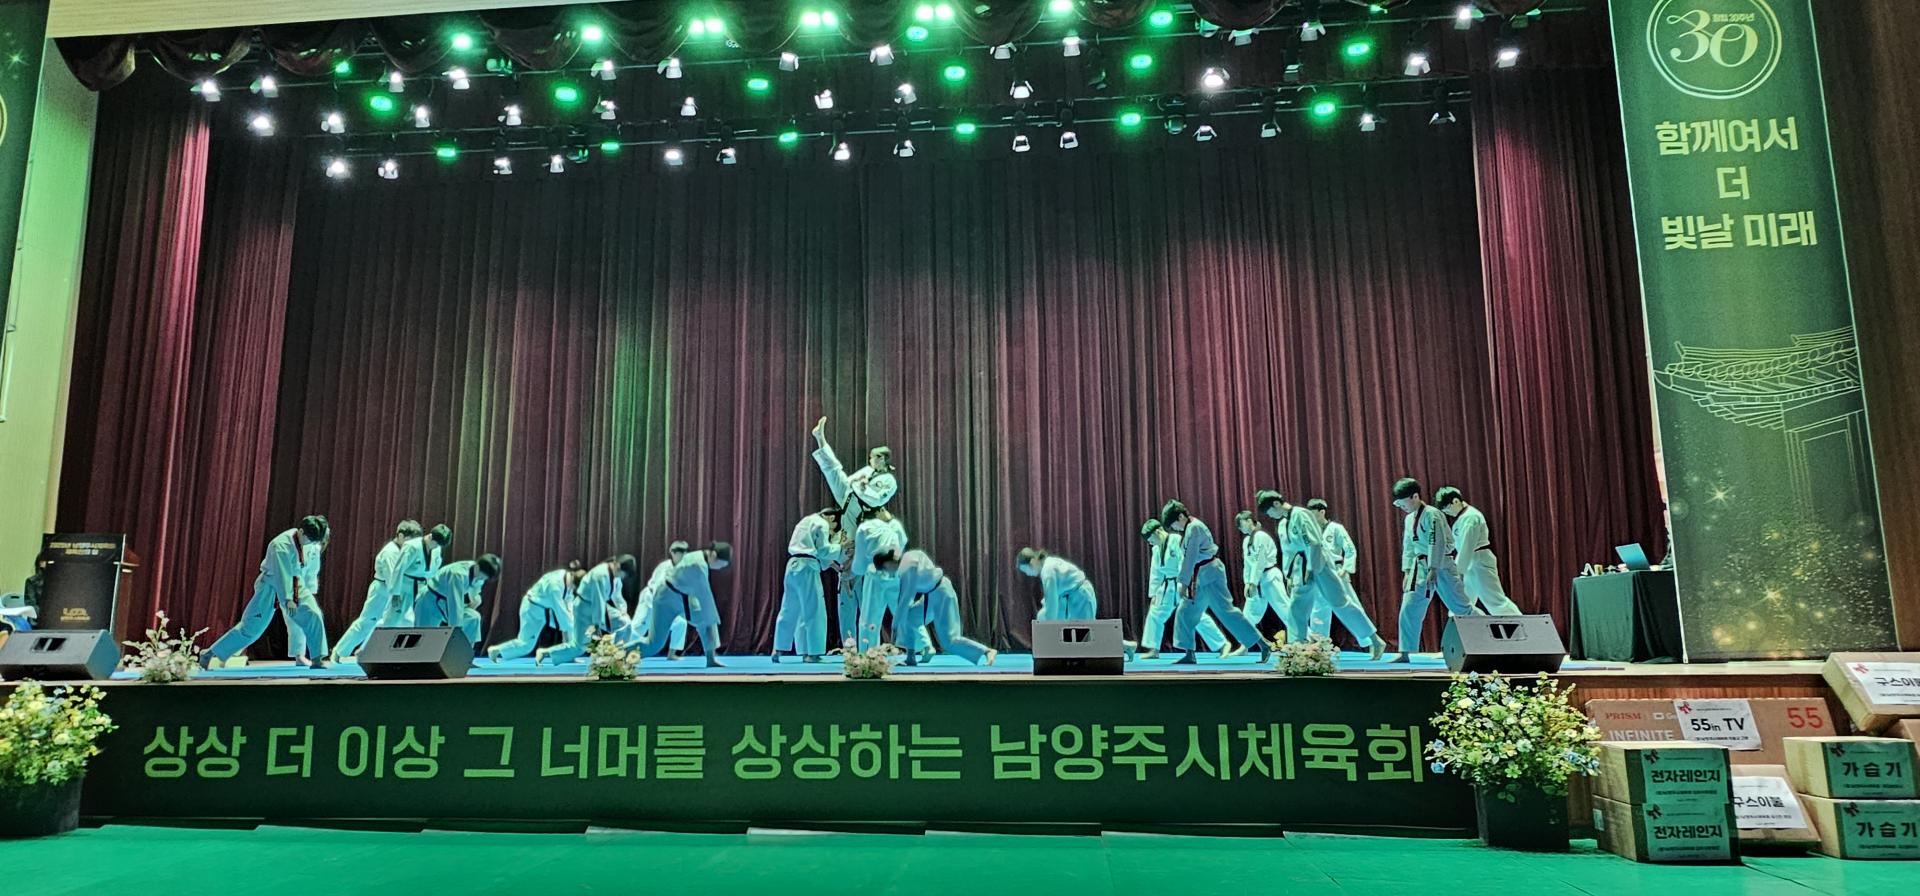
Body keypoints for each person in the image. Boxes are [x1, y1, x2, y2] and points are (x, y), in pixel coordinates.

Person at [1258, 491, 1389, 660]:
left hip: (1320, 565)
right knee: (1296, 609)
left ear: (1276, 503)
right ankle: (1298, 648)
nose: (1270, 516)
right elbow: (1288, 552)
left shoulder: (1301, 514)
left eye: (1269, 512)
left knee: (1341, 603)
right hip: (1300, 568)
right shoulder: (1283, 524)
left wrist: (1311, 568)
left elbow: (1314, 543)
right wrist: (1289, 576)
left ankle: (1375, 640)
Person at [204, 516, 333, 668]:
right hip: (270, 584)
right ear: (301, 531)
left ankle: (315, 658)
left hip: (298, 583)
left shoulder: (312, 543)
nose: (311, 544)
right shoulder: (281, 545)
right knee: (251, 628)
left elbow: (311, 569)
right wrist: (288, 599)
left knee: (312, 613)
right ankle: (210, 654)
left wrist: (310, 590)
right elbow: (282, 575)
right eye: (309, 540)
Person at [1159, 501, 1271, 665]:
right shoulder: (1191, 527)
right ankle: (1189, 653)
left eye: (1174, 524)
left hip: (1209, 574)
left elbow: (1190, 557)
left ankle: (1263, 644)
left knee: (1226, 612)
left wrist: (1183, 582)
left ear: (1181, 516)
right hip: (1202, 574)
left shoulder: (1195, 528)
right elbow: (1189, 558)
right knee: (1185, 612)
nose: (1175, 528)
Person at [1392, 477, 1476, 660]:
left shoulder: (1433, 514)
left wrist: (1433, 568)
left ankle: (1486, 637)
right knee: (1409, 607)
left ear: (1415, 496)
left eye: (1403, 502)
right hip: (1420, 566)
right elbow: (1408, 546)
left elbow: (1436, 542)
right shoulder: (1409, 519)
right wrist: (1407, 570)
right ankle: (1405, 652)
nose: (1401, 506)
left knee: (1461, 607)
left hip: (1442, 565)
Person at [876, 547, 996, 666]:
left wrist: (894, 628)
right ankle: (910, 657)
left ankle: (986, 651)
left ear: (888, 562)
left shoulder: (906, 569)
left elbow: (905, 601)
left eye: (884, 569)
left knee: (950, 641)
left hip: (942, 593)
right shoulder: (909, 556)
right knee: (910, 618)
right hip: (931, 594)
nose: (887, 573)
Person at [330, 520, 424, 662]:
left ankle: (367, 652)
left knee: (399, 623)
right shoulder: (390, 552)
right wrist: (397, 594)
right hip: (382, 590)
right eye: (411, 540)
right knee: (367, 622)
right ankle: (339, 651)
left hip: (398, 591)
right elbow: (392, 578)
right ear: (400, 536)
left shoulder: (409, 551)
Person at [630, 541, 731, 667]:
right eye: (721, 565)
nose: (720, 568)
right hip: (665, 599)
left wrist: (710, 619)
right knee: (654, 644)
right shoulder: (697, 565)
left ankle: (711, 659)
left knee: (707, 623)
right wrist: (712, 618)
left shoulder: (700, 557)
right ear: (714, 555)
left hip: (683, 597)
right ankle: (618, 654)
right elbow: (705, 598)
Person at [1136, 519, 1227, 659]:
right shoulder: (1157, 549)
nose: (1150, 543)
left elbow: (1184, 563)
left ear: (1157, 532)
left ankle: (1222, 644)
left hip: (1181, 583)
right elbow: (1156, 572)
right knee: (1155, 613)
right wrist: (1153, 593)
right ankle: (1154, 649)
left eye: (1151, 539)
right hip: (1167, 586)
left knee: (1195, 616)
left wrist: (1185, 584)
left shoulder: (1176, 540)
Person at [1437, 487, 1524, 616]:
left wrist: (1457, 571)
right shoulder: (1462, 518)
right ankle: (1462, 626)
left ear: (1456, 501)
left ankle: (1521, 624)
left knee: (1494, 600)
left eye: (1447, 508)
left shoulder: (1471, 517)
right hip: (1470, 563)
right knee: (1462, 602)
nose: (1447, 513)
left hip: (1478, 560)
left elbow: (1467, 546)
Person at [773, 507, 844, 663]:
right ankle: (813, 653)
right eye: (833, 527)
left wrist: (835, 566)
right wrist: (842, 547)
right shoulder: (821, 523)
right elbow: (824, 550)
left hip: (793, 565)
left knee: (790, 608)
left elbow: (817, 551)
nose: (831, 531)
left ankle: (778, 649)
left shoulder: (805, 521)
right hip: (807, 567)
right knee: (814, 610)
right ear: (832, 518)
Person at [538, 555, 638, 664]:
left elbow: (617, 597)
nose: (623, 577)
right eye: (624, 574)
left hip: (597, 606)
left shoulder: (616, 577)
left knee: (625, 623)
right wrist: (597, 626)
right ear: (618, 567)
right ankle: (546, 652)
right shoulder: (600, 575)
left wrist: (623, 611)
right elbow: (597, 602)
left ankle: (615, 655)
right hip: (584, 607)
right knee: (579, 647)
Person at [488, 562, 587, 661]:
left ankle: (568, 655)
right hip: (532, 609)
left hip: (544, 609)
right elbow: (561, 613)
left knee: (569, 623)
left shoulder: (566, 576)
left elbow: (568, 603)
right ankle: (496, 650)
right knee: (525, 645)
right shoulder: (555, 587)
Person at [415, 553, 501, 647]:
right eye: (481, 576)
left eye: (484, 578)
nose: (481, 579)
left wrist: (475, 600)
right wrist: (455, 632)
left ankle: (465, 651)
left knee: (473, 617)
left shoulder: (480, 574)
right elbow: (455, 605)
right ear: (477, 566)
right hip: (429, 602)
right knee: (423, 639)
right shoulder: (458, 574)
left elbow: (474, 595)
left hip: (445, 604)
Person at [624, 543, 692, 658]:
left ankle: (672, 654)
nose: (684, 554)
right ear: (673, 553)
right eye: (681, 551)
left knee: (680, 623)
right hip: (650, 600)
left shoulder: (684, 569)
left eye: (686, 551)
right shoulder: (665, 567)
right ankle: (619, 651)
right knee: (638, 627)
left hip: (666, 604)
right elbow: (658, 590)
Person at [1236, 510, 1289, 639]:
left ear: (1249, 521)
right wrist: (1247, 583)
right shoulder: (1246, 540)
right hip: (1256, 581)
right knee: (1248, 614)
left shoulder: (1261, 536)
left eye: (1240, 524)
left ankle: (1308, 639)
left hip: (1270, 577)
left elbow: (1260, 561)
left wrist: (1253, 583)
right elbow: (1247, 564)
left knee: (1284, 609)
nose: (1239, 528)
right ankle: (1246, 643)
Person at [386, 524, 453, 627]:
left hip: (422, 587)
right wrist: (395, 593)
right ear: (430, 536)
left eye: (439, 545)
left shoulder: (437, 549)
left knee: (415, 619)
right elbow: (398, 570)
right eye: (436, 543)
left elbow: (434, 570)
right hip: (405, 587)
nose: (436, 546)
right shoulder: (412, 546)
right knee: (392, 619)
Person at [1310, 499, 1353, 639]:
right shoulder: (1311, 531)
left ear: (1322, 512)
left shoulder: (1336, 528)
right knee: (1319, 608)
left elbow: (1350, 549)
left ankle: (1370, 641)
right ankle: (1319, 642)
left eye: (1313, 513)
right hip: (1320, 571)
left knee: (1350, 605)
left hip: (1337, 570)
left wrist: (1346, 568)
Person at [1016, 547, 1099, 621]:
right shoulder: (1048, 564)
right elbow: (1053, 598)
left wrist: (1047, 627)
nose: (1027, 574)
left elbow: (1052, 605)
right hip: (1074, 596)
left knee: (1085, 629)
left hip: (1081, 596)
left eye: (1026, 570)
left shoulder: (1048, 571)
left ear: (1032, 562)